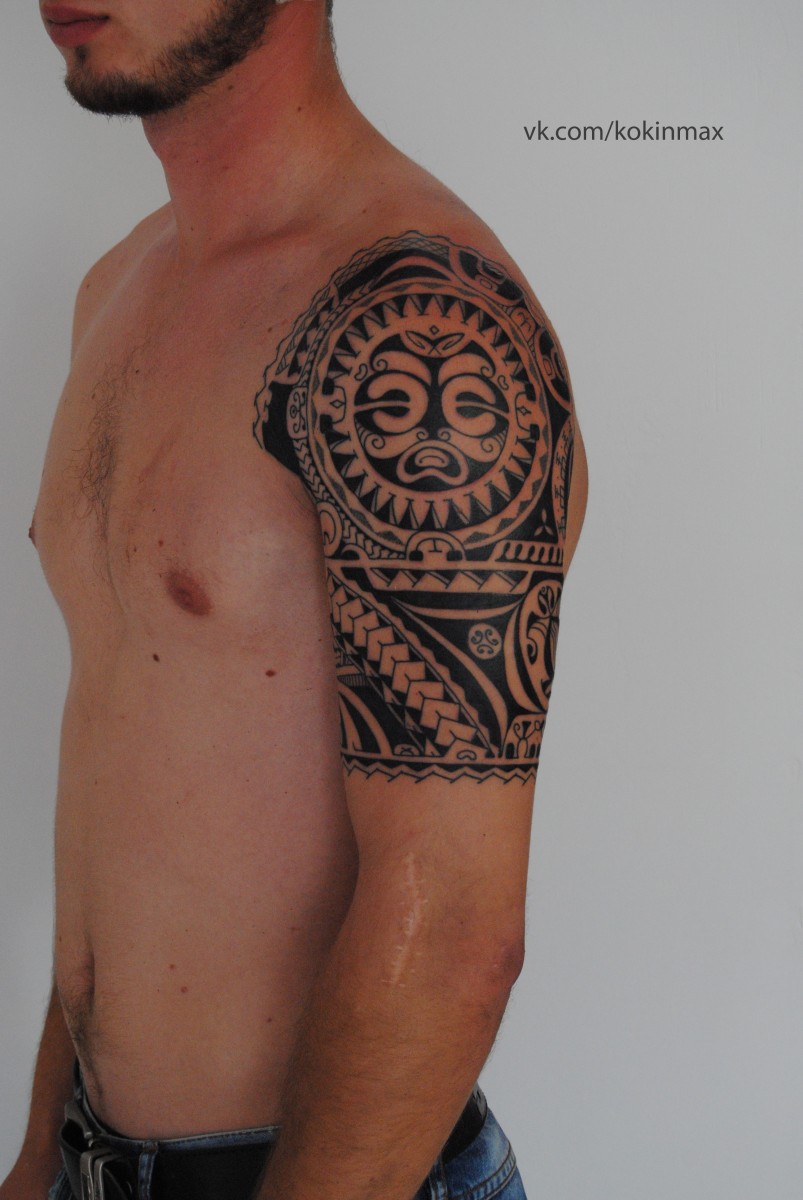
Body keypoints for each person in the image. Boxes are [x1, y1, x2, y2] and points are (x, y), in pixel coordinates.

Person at [3, 2, 589, 1198]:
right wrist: (34, 1162)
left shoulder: (424, 330)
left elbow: (455, 934)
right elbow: (122, 782)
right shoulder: (122, 282)